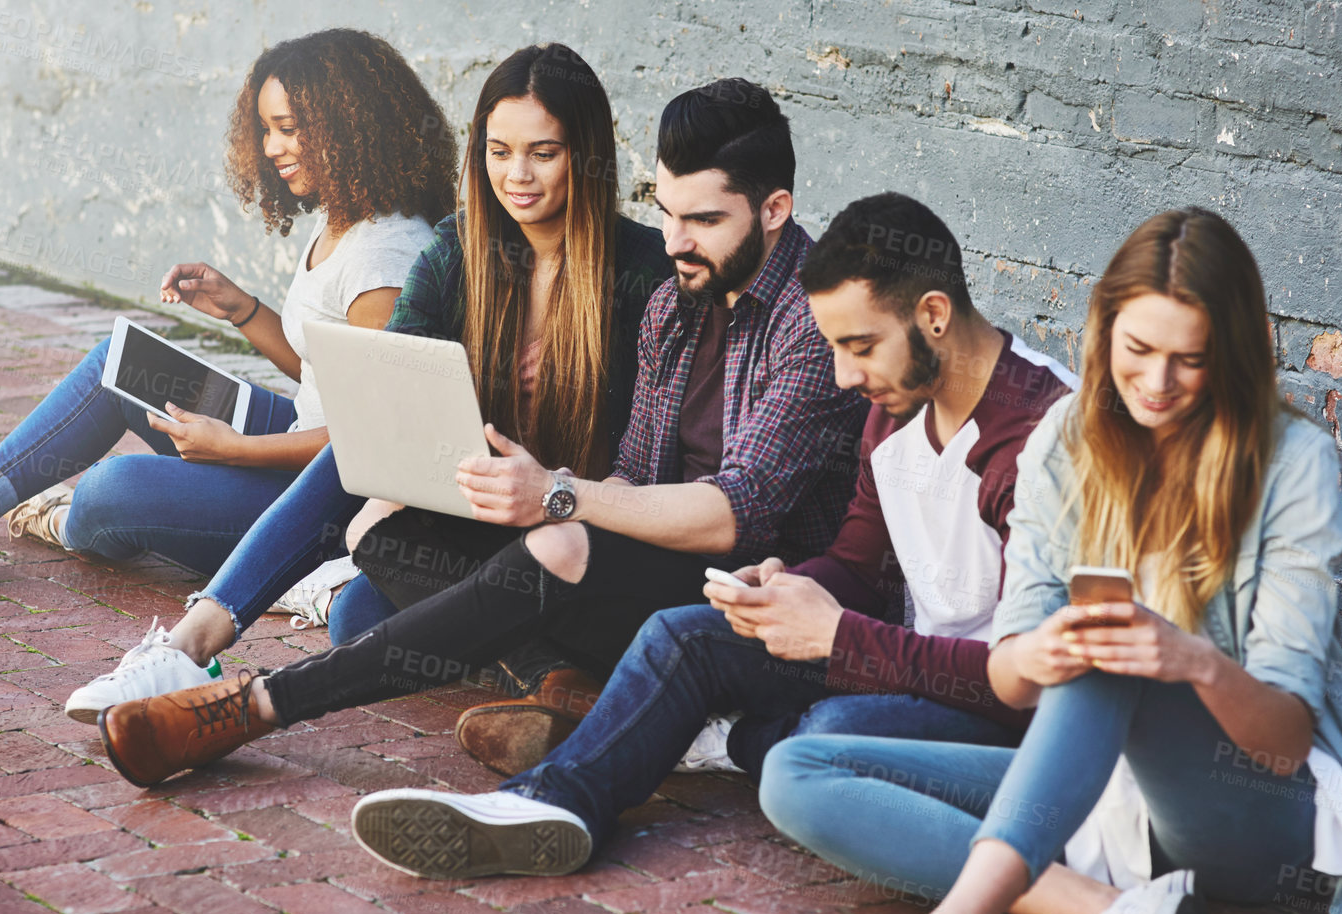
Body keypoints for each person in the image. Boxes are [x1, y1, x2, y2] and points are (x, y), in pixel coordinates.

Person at [752, 209, 1342, 914]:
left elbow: (1285, 743)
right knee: (798, 769)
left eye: (1190, 359)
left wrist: (1189, 659)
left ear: (1233, 355)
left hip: (1252, 809)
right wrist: (1041, 651)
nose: (1157, 382)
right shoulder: (1064, 443)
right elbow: (1007, 676)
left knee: (1118, 653)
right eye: (1138, 351)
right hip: (1103, 802)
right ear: (1105, 330)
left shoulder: (1291, 462)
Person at [91, 77, 866, 788]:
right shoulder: (676, 302)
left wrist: (559, 499)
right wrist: (529, 496)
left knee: (546, 548)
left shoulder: (814, 319)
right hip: (648, 575)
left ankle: (252, 706)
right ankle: (575, 689)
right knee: (386, 536)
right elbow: (633, 471)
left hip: (768, 602)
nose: (674, 241)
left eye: (703, 220)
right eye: (665, 212)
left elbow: (740, 510)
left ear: (774, 209)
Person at [346, 192, 1077, 877]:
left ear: (936, 314)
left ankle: (697, 738)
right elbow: (860, 561)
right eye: (832, 347)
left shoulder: (1036, 441)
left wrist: (839, 636)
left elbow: (1030, 690)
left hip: (1008, 724)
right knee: (682, 635)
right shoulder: (898, 403)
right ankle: (549, 804)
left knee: (825, 731)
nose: (844, 376)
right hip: (902, 660)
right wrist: (794, 587)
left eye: (859, 346)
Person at [58, 42, 675, 723]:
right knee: (356, 603)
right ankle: (192, 642)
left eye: (544, 152)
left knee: (370, 601)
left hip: (577, 527)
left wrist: (553, 493)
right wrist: (397, 462)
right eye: (499, 152)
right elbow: (387, 393)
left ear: (585, 155)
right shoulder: (458, 250)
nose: (517, 175)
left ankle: (550, 674)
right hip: (472, 521)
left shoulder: (644, 273)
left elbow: (649, 468)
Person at [0, 29, 454, 586]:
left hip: (326, 499)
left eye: (288, 129)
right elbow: (325, 369)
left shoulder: (386, 261)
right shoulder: (342, 218)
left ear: (349, 127)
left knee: (111, 493)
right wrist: (242, 309)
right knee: (122, 358)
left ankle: (66, 516)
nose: (273, 147)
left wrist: (238, 450)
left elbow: (375, 443)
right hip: (298, 442)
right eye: (265, 129)